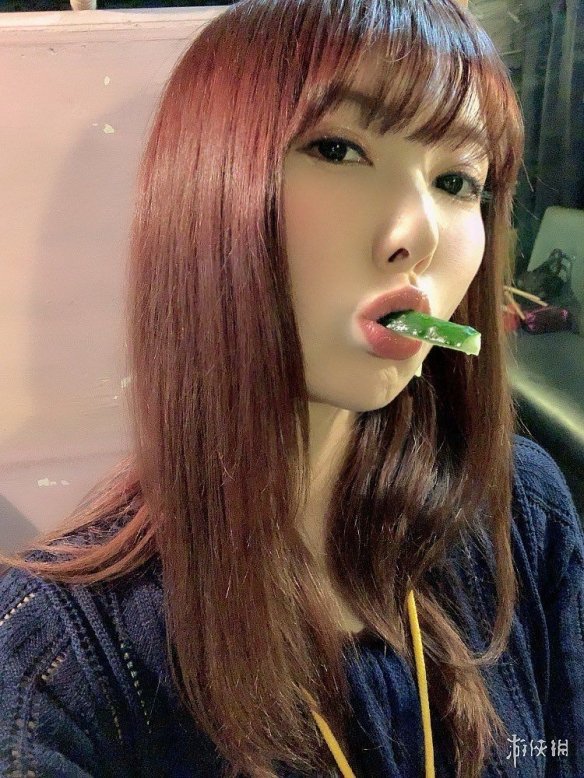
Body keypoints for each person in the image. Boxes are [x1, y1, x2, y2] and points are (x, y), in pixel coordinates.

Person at [0, 0, 582, 775]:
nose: (416, 235)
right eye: (339, 149)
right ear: (207, 194)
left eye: (457, 180)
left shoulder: (519, 513)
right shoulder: (61, 669)